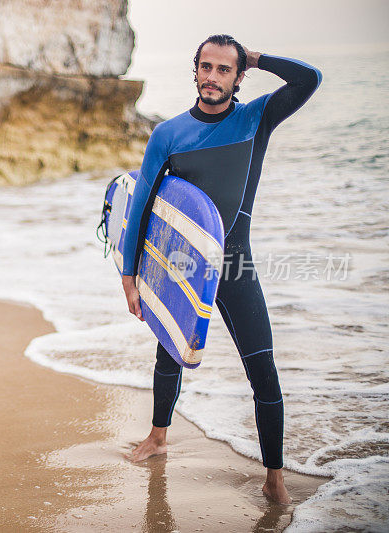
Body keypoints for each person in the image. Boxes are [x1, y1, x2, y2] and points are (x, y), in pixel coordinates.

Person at [119, 34, 321, 504]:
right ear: (195, 71)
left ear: (238, 77)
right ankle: (158, 436)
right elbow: (143, 209)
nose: (212, 77)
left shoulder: (257, 118)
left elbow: (309, 79)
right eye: (205, 67)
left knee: (262, 369)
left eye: (224, 69)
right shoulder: (168, 134)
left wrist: (257, 57)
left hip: (235, 263)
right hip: (184, 263)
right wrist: (129, 278)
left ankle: (274, 476)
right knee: (170, 350)